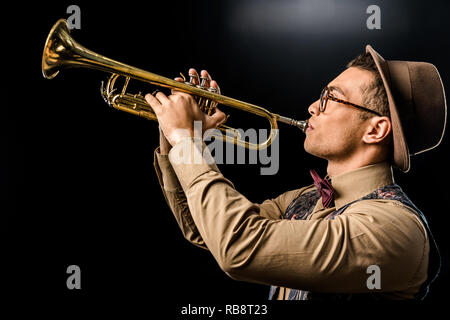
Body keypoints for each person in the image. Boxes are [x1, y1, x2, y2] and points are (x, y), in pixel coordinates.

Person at [145, 45, 446, 300]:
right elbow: (206, 230)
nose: (313, 106)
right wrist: (176, 135)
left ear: (376, 129)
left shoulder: (394, 228)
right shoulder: (302, 199)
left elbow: (237, 247)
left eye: (331, 98)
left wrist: (186, 139)